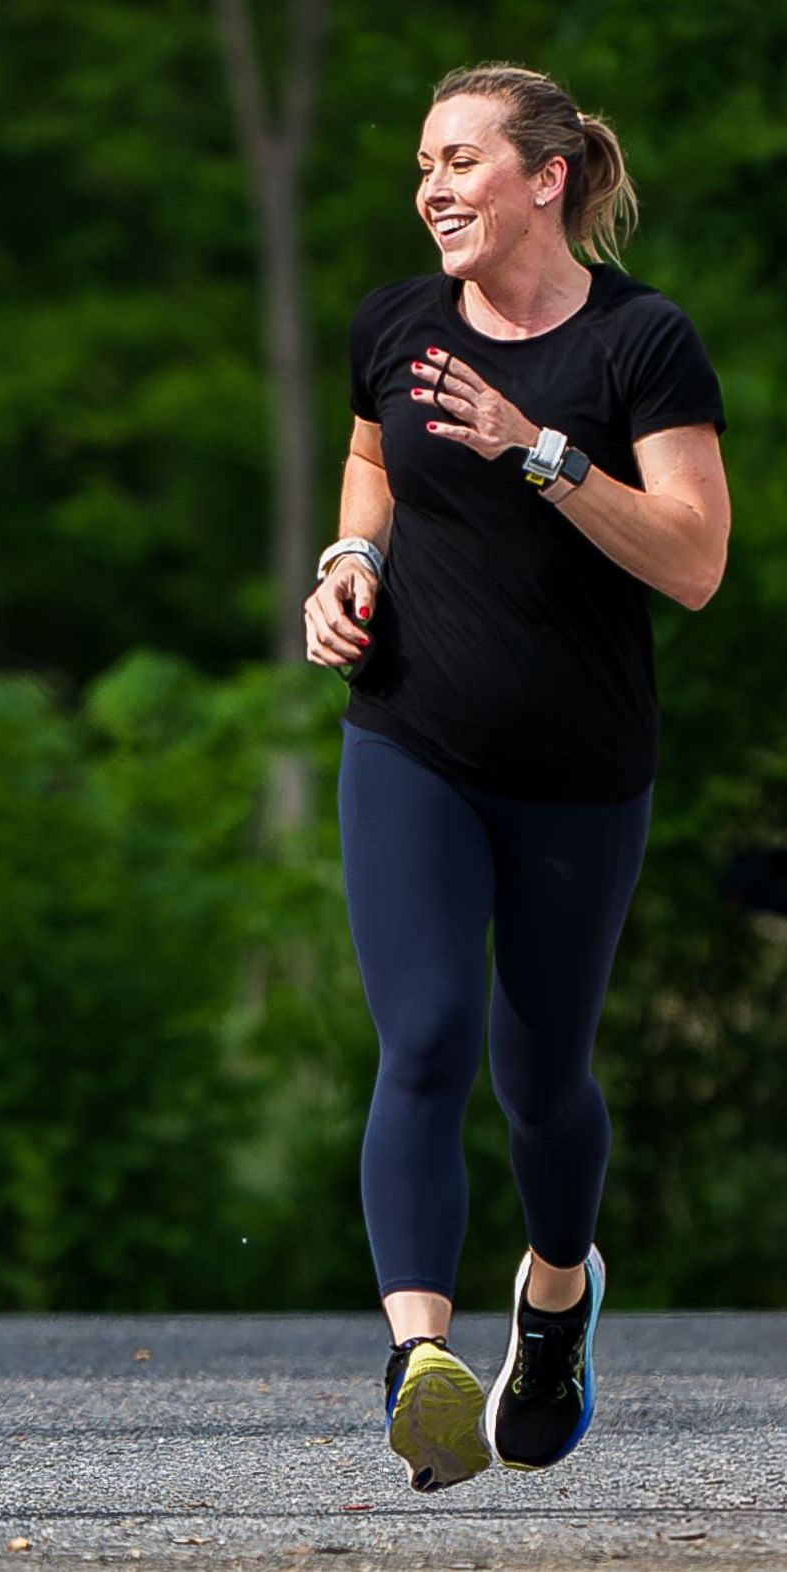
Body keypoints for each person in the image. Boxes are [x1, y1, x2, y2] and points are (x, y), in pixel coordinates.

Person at [304, 64, 728, 1492]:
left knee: (537, 1075)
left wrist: (537, 449)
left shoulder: (639, 344)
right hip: (408, 735)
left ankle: (552, 1305)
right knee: (420, 1037)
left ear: (543, 178)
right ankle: (417, 1360)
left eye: (459, 159)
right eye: (421, 160)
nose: (429, 185)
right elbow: (372, 463)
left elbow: (692, 560)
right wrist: (349, 557)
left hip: (578, 771)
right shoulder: (396, 323)